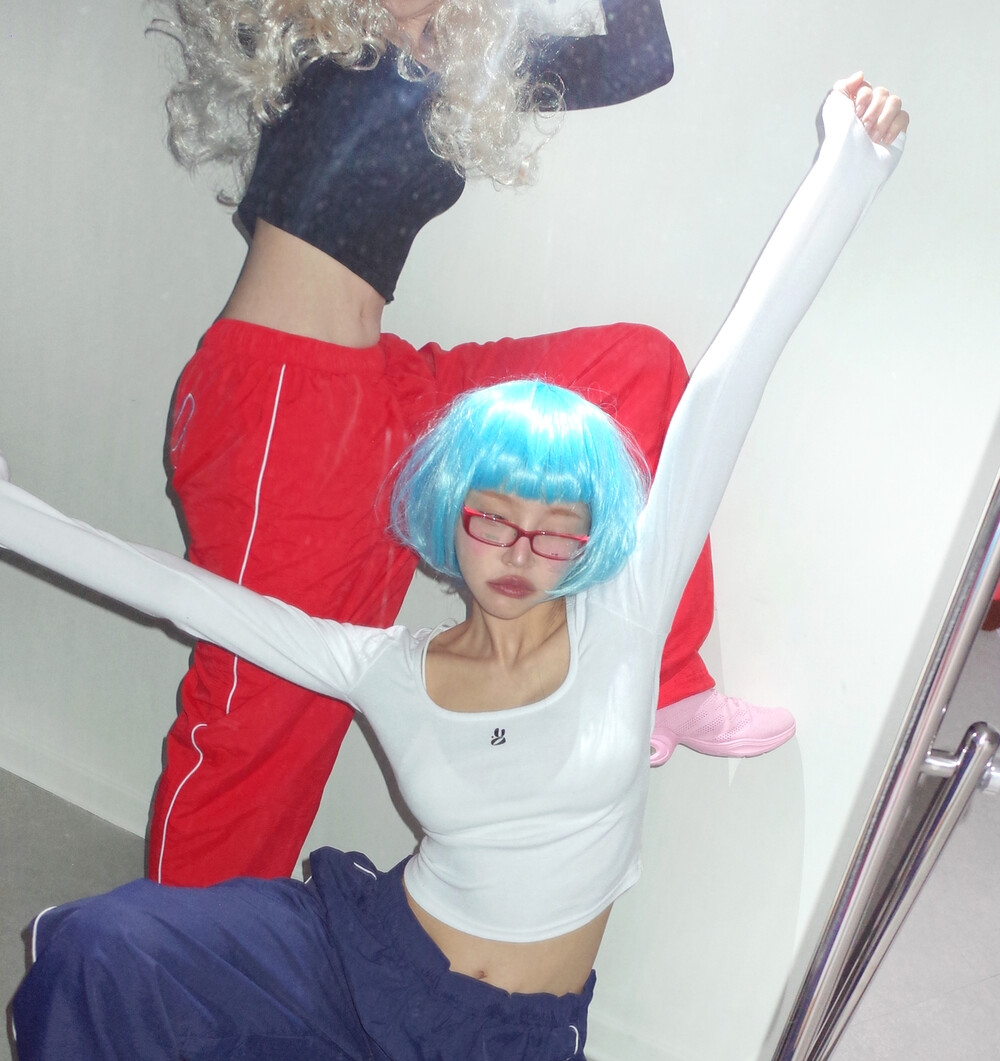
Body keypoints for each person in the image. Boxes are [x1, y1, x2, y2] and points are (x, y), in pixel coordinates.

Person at [0, 75, 906, 1061]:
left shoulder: (619, 625)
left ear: (594, 530)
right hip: (372, 955)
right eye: (492, 515)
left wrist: (847, 170)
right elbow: (184, 593)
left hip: (505, 1042)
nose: (522, 546)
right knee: (94, 943)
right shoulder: (386, 662)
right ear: (446, 516)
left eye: (557, 522)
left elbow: (724, 383)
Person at [146, 0, 793, 886]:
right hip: (280, 407)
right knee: (263, 716)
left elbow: (641, 57)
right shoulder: (313, 36)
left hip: (384, 388)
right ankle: (162, 957)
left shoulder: (460, 66)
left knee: (634, 369)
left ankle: (667, 678)